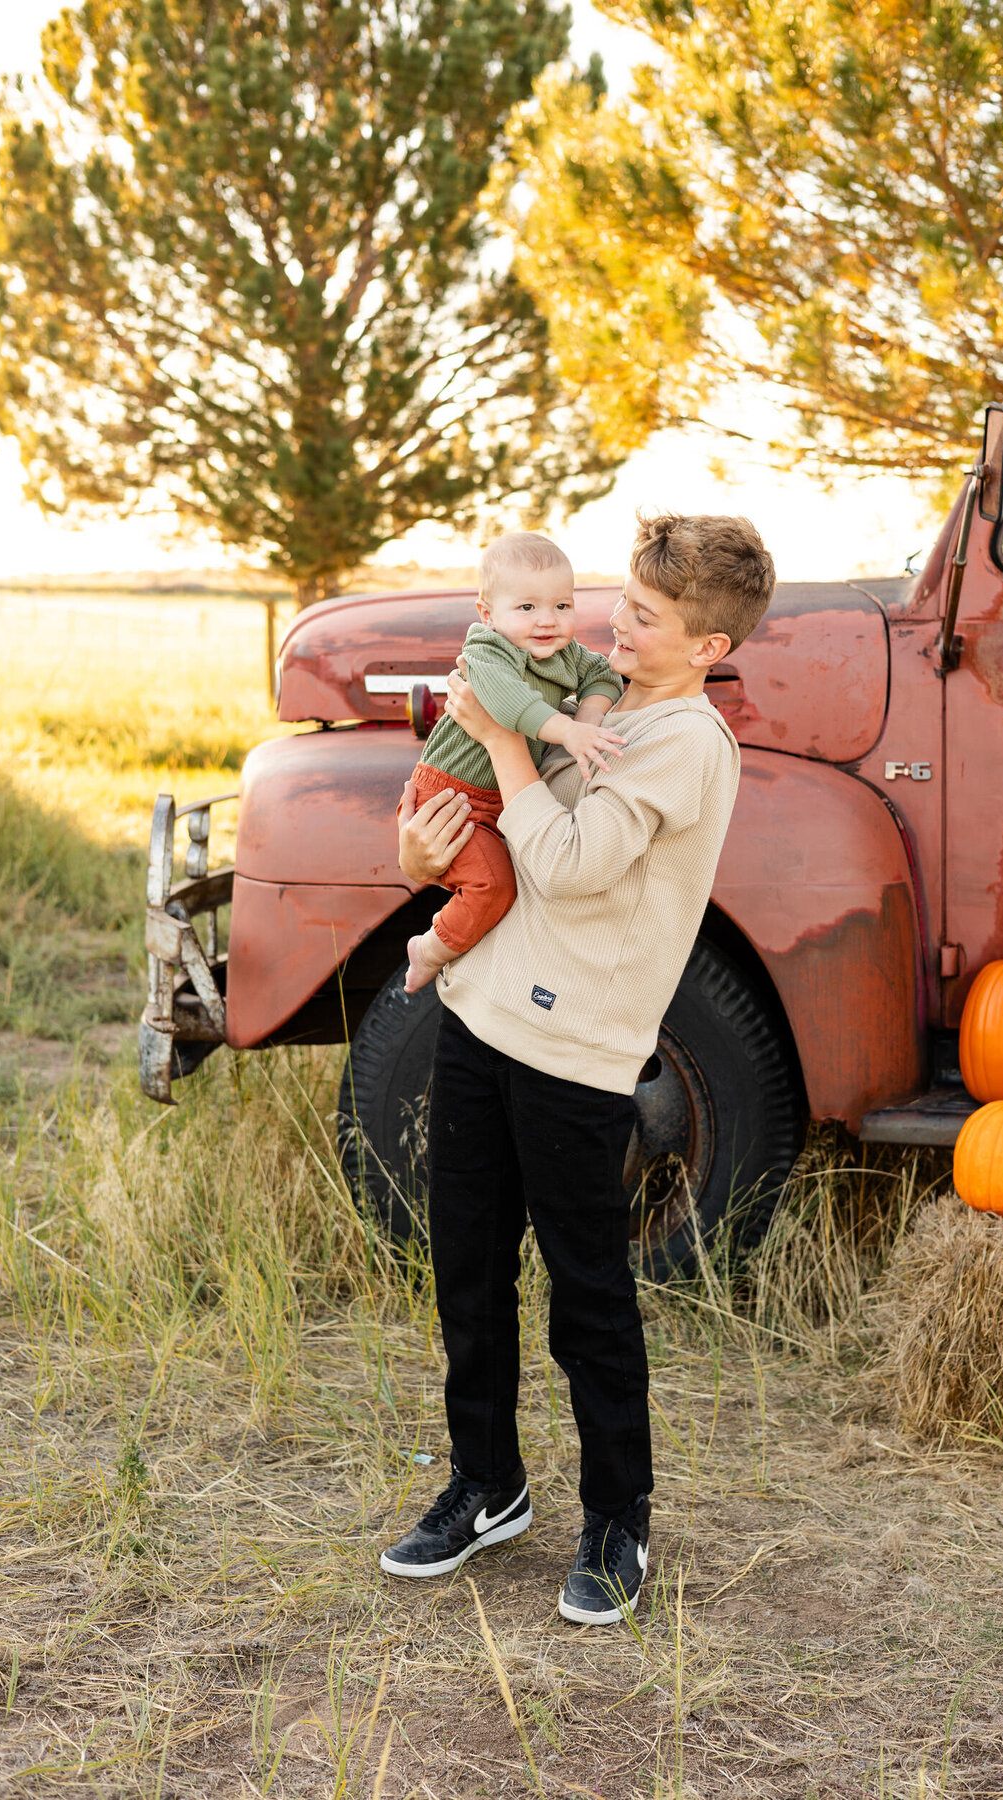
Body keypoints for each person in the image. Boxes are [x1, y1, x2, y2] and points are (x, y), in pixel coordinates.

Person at [382, 513, 776, 1625]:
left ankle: (618, 1517)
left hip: (574, 1052)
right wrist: (417, 852)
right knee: (467, 1269)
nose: (615, 623)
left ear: (707, 645)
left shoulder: (686, 745)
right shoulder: (591, 688)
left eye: (646, 618)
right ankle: (487, 1485)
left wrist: (503, 740)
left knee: (587, 1295)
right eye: (624, 601)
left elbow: (562, 865)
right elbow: (476, 830)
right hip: (479, 1012)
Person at [403, 531, 625, 994]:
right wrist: (568, 732)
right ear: (488, 614)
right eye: (527, 608)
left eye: (562, 606)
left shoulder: (567, 655)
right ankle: (429, 949)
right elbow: (505, 704)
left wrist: (587, 715)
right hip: (453, 795)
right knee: (495, 887)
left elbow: (604, 674)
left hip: (503, 794)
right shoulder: (488, 649)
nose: (547, 621)